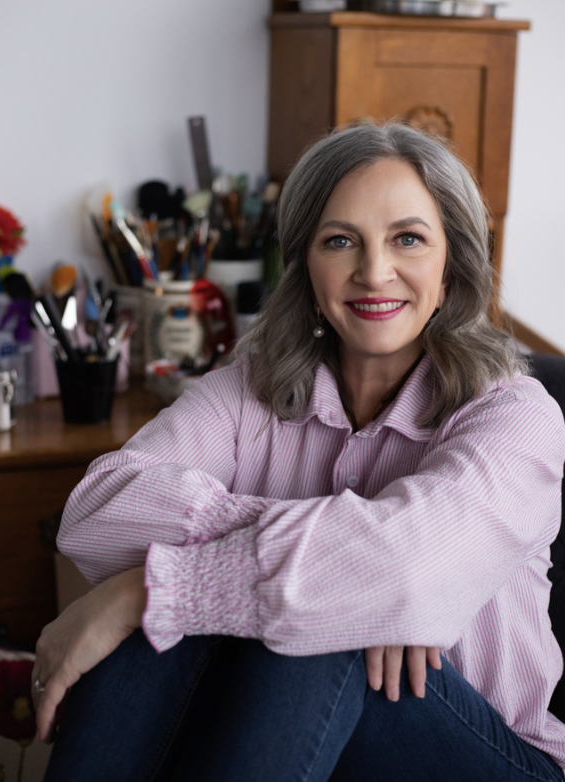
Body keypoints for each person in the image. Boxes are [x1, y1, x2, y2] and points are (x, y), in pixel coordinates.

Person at [32, 121, 565, 781]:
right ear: (305, 263)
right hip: (306, 737)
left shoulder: (515, 415)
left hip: (490, 755)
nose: (374, 272)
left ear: (453, 262)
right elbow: (96, 510)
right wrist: (337, 560)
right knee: (264, 608)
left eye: (408, 238)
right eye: (340, 240)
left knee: (321, 628)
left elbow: (401, 570)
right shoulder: (249, 387)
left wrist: (145, 590)